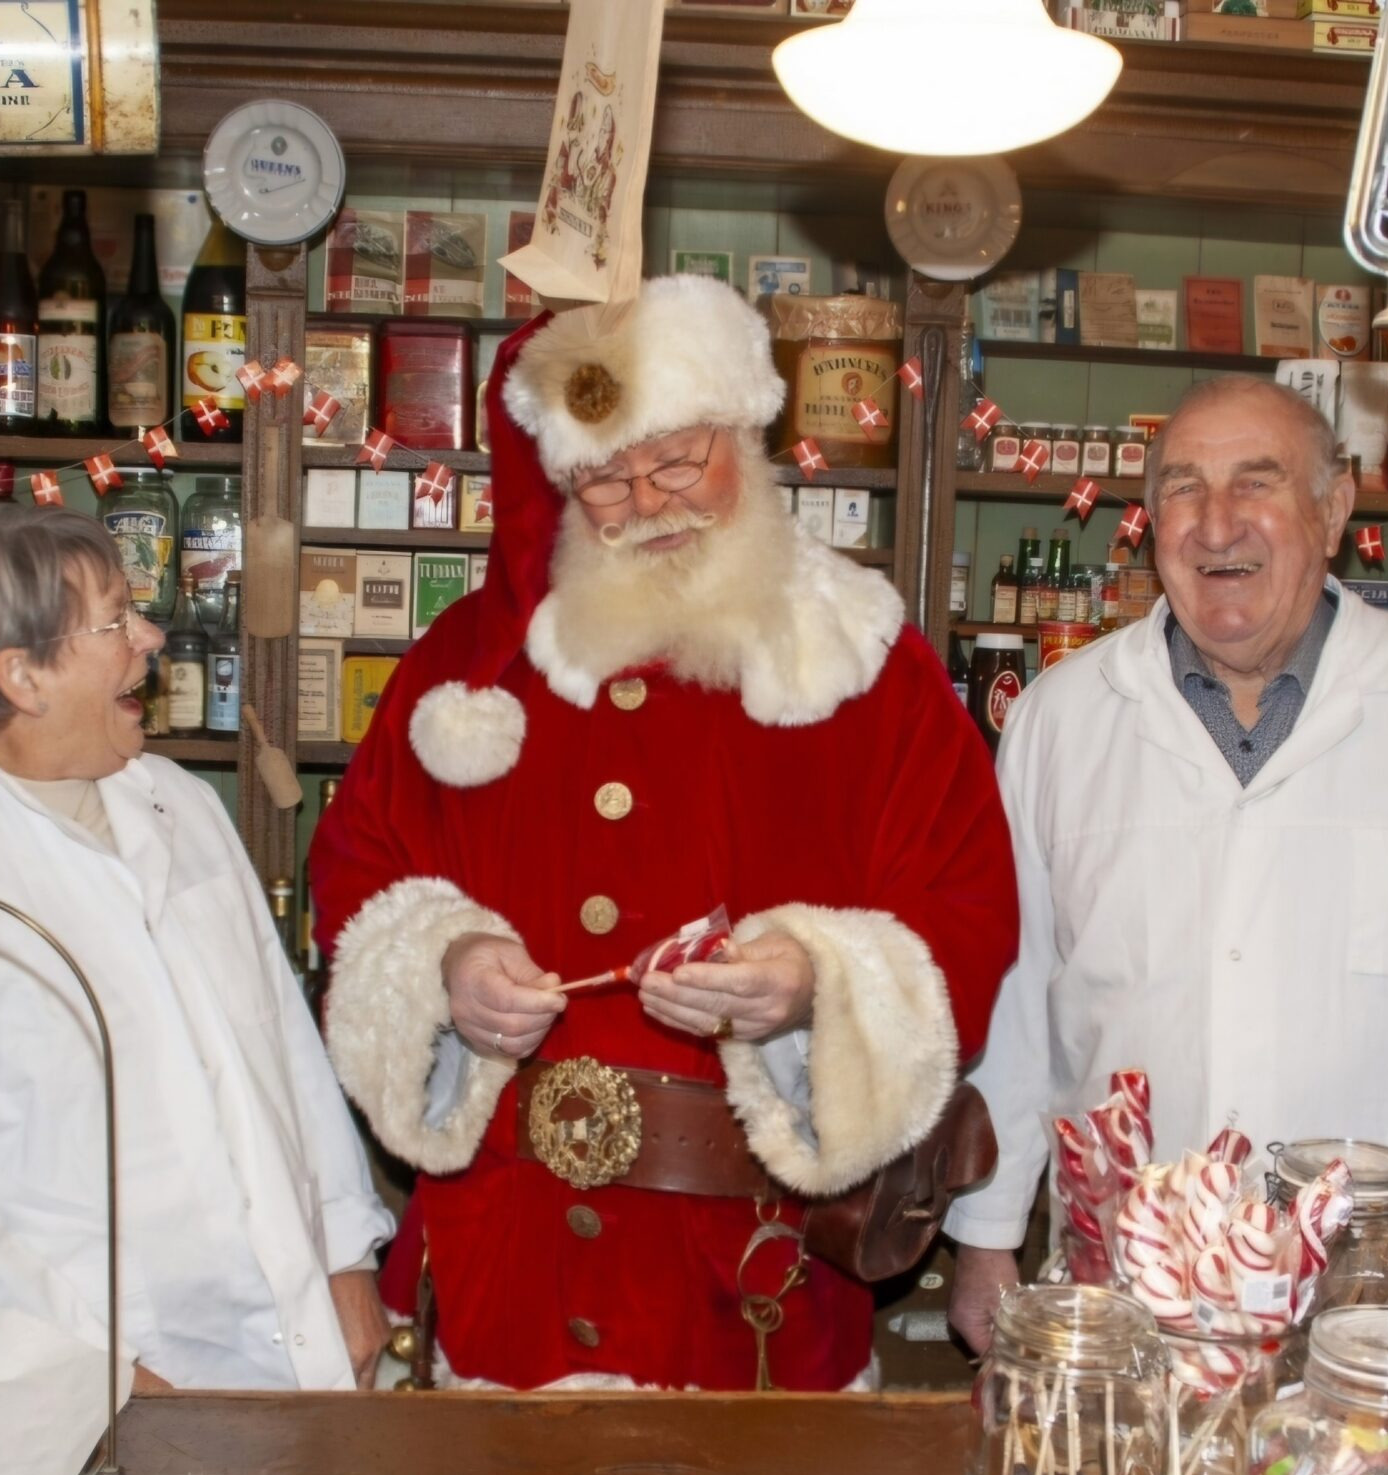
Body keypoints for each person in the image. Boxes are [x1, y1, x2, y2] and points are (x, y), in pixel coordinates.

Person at [310, 275, 1018, 1391]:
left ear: (745, 431)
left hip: (754, 1291)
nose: (645, 500)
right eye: (601, 477)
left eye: (680, 459)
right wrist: (443, 964)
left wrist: (811, 983)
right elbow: (358, 869)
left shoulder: (872, 664)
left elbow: (966, 912)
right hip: (508, 1275)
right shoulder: (468, 662)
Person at [944, 375, 1388, 1352]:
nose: (1215, 526)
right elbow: (1016, 1007)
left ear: (1332, 510)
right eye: (1181, 488)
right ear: (1147, 517)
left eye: (1256, 484)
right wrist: (985, 1237)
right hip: (1132, 1283)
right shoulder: (1059, 719)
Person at [0, 509, 392, 1390]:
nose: (151, 639)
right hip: (105, 1391)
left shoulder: (178, 804)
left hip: (297, 1352)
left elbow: (283, 1042)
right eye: (116, 620)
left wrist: (349, 1259)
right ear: (23, 677)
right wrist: (104, 1380)